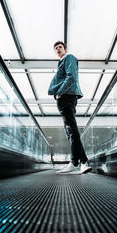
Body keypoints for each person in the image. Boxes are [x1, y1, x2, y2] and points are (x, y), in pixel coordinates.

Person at [48, 41, 92, 174]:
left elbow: (71, 77)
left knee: (71, 130)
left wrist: (60, 92)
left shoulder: (69, 57)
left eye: (60, 47)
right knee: (70, 131)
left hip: (66, 96)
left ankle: (75, 162)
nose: (57, 49)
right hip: (66, 97)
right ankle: (82, 161)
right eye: (55, 48)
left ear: (65, 49)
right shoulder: (63, 61)